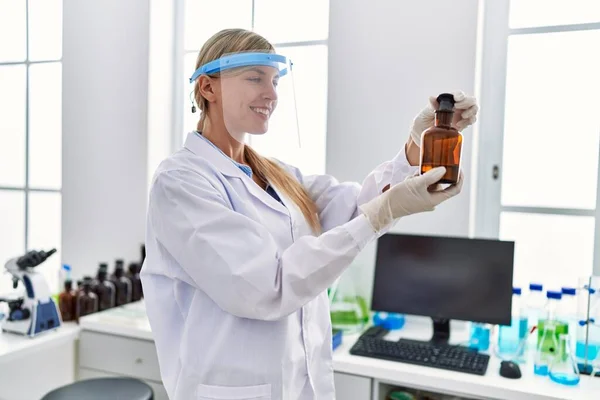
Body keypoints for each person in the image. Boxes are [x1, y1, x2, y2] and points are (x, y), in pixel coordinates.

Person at [140, 28, 478, 400]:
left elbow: (352, 208)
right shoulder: (180, 183)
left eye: (275, 81)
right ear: (207, 88)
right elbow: (266, 287)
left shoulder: (274, 173)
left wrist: (418, 144)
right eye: (255, 78)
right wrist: (382, 212)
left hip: (300, 384)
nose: (271, 94)